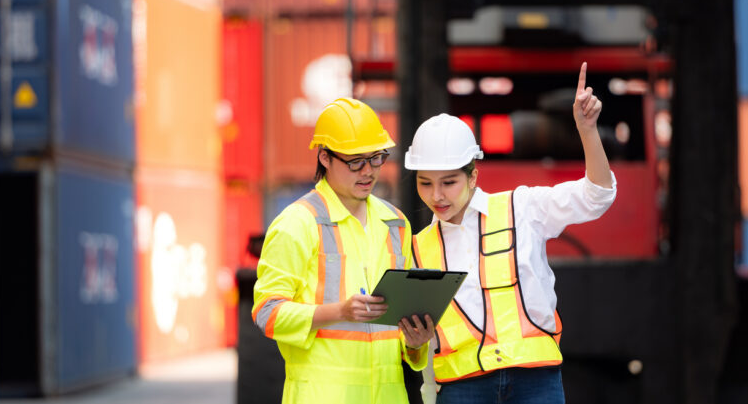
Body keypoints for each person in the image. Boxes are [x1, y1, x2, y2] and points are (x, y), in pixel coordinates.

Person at [406, 63, 617, 404]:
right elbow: (420, 353)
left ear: (473, 176)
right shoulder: (416, 249)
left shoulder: (523, 208)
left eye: (449, 182)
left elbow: (597, 195)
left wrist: (587, 131)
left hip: (534, 380)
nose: (437, 195)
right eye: (425, 183)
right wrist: (414, 344)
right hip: (461, 387)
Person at [253, 97, 435, 404]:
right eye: (355, 162)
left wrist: (416, 343)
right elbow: (267, 313)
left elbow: (399, 331)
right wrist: (340, 312)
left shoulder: (395, 223)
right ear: (325, 157)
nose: (368, 171)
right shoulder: (297, 223)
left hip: (389, 396)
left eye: (376, 158)